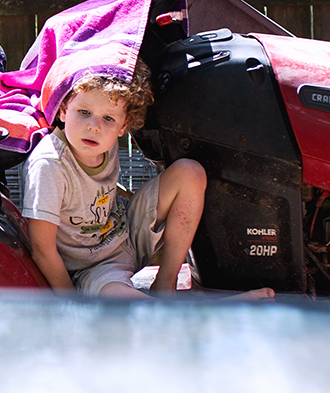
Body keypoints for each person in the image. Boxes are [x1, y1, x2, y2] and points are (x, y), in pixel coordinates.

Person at [22, 69, 274, 302]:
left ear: (123, 127)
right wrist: (72, 306)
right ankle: (218, 313)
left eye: (108, 118)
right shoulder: (50, 165)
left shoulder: (101, 144)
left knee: (190, 173)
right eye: (84, 112)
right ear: (63, 110)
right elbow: (42, 250)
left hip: (124, 233)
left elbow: (98, 191)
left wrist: (152, 209)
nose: (94, 126)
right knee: (140, 312)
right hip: (93, 269)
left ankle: (166, 283)